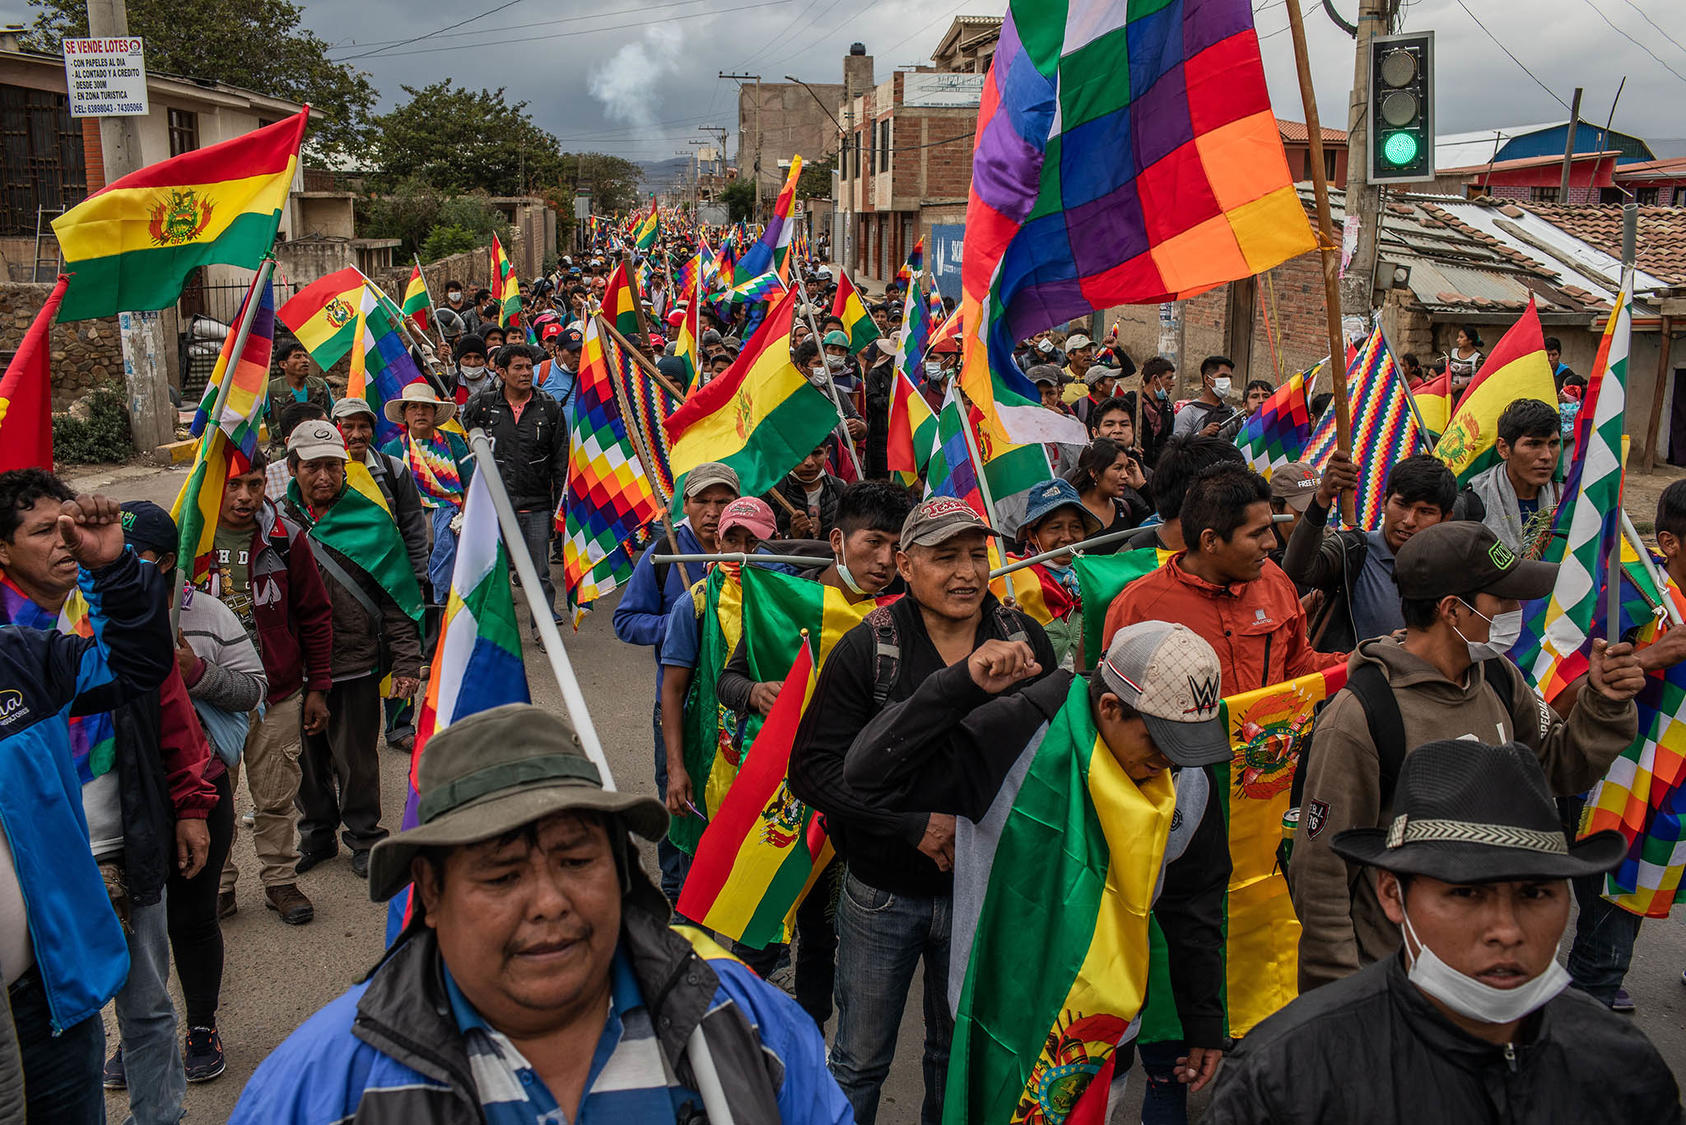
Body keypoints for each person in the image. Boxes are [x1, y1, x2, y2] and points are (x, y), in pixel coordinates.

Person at [230, 704, 852, 1125]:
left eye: (577, 861)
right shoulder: (322, 1087)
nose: (550, 902)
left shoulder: (745, 1026)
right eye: (502, 876)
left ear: (621, 868)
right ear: (432, 893)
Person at [843, 622, 1236, 1114]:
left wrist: (1204, 1020)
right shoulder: (1016, 732)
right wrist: (957, 686)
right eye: (1161, 739)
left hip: (1099, 1036)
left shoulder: (1186, 770)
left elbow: (1194, 897)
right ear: (1109, 708)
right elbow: (865, 773)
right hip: (997, 1020)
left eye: (1188, 742)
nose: (1174, 760)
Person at [1207, 740, 1682, 1124]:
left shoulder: (1618, 1063)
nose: (1506, 931)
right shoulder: (1287, 1076)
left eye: (1535, 894)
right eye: (1466, 894)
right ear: (1393, 895)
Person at [790, 497, 1058, 1125]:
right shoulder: (868, 649)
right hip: (884, 891)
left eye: (976, 555)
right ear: (906, 566)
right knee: (859, 1057)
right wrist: (910, 826)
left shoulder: (1023, 640)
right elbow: (813, 772)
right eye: (946, 558)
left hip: (985, 891)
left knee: (953, 1053)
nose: (967, 572)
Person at [1289, 520, 1643, 992]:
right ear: (1453, 610)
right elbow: (1321, 876)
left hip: (1492, 970)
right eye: (1503, 600)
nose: (1517, 611)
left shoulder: (1497, 677)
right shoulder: (1361, 717)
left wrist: (1604, 702)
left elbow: (1560, 766)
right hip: (1402, 984)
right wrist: (1341, 999)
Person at [1, 472, 217, 1125]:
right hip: (40, 918)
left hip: (115, 855)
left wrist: (116, 567)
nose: (65, 544)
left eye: (71, 528)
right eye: (46, 531)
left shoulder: (26, 655)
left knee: (143, 1004)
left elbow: (149, 674)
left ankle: (159, 1113)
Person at [120, 502, 266, 1084]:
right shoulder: (81, 621)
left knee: (191, 918)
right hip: (120, 802)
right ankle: (139, 1032)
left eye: (138, 560)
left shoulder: (205, 613)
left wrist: (194, 670)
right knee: (128, 923)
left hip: (199, 794)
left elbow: (254, 688)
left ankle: (201, 1025)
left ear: (166, 564)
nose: (120, 572)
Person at [281, 421, 423, 880]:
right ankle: (316, 834)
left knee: (356, 757)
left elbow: (396, 598)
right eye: (313, 467)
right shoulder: (274, 521)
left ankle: (364, 836)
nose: (324, 477)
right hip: (295, 667)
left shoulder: (372, 520)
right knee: (305, 758)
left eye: (333, 467)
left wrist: (405, 663)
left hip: (356, 660)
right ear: (292, 468)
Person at [202, 452, 332, 926]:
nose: (244, 497)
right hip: (208, 695)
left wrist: (316, 686)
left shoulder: (284, 537)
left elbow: (316, 615)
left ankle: (280, 881)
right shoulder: (189, 536)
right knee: (213, 795)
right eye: (233, 484)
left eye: (254, 485)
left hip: (276, 692)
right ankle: (218, 885)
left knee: (276, 793)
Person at [614, 463, 741, 900]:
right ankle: (675, 892)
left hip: (739, 706)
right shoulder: (664, 554)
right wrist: (683, 621)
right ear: (684, 504)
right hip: (679, 702)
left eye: (722, 502)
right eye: (702, 500)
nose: (712, 511)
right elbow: (626, 621)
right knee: (678, 794)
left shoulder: (751, 552)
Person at [1104, 464, 1344, 693]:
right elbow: (1117, 706)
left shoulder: (1275, 581)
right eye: (1257, 533)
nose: (1271, 543)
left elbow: (1298, 667)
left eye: (1270, 528)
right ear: (1210, 541)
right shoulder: (1137, 607)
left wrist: (1359, 662)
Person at [1280, 451, 1455, 651]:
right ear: (1384, 502)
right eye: (1402, 505)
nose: (1409, 521)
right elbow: (1297, 569)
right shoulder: (1352, 550)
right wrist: (1322, 498)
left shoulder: (1451, 567)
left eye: (1425, 511)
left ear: (1446, 518)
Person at [334, 397, 431, 752]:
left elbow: (412, 527)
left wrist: (416, 577)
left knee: (399, 651)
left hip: (394, 581)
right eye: (349, 427)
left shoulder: (392, 470)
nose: (357, 434)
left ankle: (399, 726)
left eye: (364, 427)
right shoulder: (329, 472)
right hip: (345, 585)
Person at [461, 343, 569, 629]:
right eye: (518, 368)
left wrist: (560, 505)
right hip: (494, 504)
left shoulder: (548, 407)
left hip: (536, 504)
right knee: (494, 571)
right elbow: (465, 439)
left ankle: (543, 627)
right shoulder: (482, 405)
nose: (525, 373)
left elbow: (560, 458)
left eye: (529, 367)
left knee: (538, 572)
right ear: (501, 371)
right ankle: (495, 630)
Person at [378, 383, 473, 604]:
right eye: (413, 407)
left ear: (434, 412)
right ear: (404, 414)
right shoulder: (392, 449)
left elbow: (469, 483)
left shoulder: (453, 442)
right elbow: (387, 494)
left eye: (426, 407)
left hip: (451, 525)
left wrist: (462, 517)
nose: (420, 412)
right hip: (411, 527)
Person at [1011, 478, 1101, 667]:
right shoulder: (1013, 578)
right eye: (1055, 528)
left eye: (1075, 527)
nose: (1067, 537)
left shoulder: (1094, 575)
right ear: (1032, 535)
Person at [1460, 398, 1562, 557]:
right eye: (1534, 444)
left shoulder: (1567, 501)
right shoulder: (1473, 502)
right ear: (1503, 448)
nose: (1547, 456)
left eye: (1553, 443)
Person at [1114, 435, 1246, 554]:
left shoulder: (1243, 562)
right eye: (1235, 495)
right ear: (1198, 500)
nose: (1266, 542)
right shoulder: (1130, 566)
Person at [1068, 438, 1150, 552]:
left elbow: (1164, 521)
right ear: (1094, 472)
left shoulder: (1127, 508)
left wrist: (1142, 486)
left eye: (1126, 468)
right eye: (1118, 468)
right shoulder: (1069, 511)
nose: (1125, 475)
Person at [769, 443, 845, 539]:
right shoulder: (772, 491)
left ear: (827, 452)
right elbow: (759, 542)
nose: (809, 463)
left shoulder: (840, 489)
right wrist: (791, 535)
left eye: (817, 453)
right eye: (800, 454)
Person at [264, 343, 333, 438]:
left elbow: (332, 415)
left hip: (318, 447)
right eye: (297, 357)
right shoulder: (271, 390)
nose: (305, 360)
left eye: (305, 356)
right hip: (285, 450)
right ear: (283, 364)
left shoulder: (320, 386)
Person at [1171, 356, 1237, 437]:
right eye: (1222, 376)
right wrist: (1201, 435)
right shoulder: (1189, 412)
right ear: (1207, 379)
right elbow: (1177, 445)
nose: (1227, 381)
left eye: (1229, 377)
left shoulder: (1232, 412)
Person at [1136, 355, 1177, 470]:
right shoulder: (1132, 403)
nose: (1173, 383)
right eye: (1169, 378)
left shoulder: (1167, 407)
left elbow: (1168, 439)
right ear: (1155, 379)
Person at [449, 333, 494, 403]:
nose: (472, 363)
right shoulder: (452, 384)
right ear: (459, 360)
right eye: (467, 358)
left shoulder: (498, 382)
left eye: (477, 358)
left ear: (485, 360)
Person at [1445, 324, 1483, 394]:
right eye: (1458, 337)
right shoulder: (1454, 352)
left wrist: (1460, 386)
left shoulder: (1478, 358)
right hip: (1450, 392)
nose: (1457, 340)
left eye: (1461, 337)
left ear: (1470, 340)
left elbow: (1480, 380)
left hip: (1467, 393)